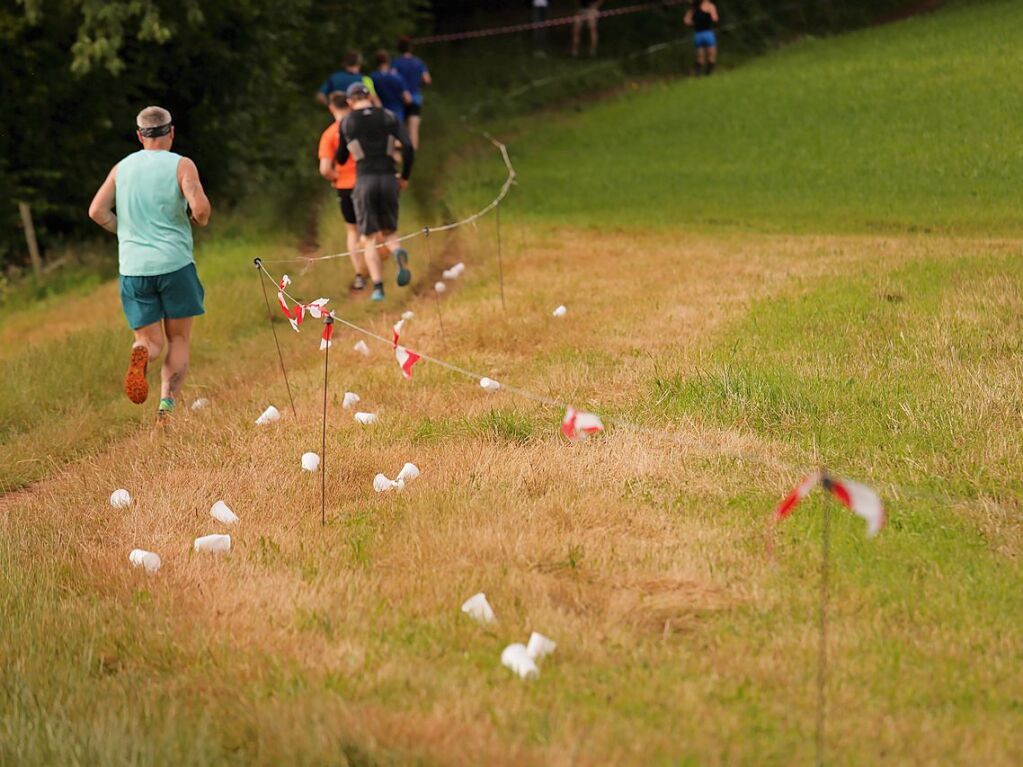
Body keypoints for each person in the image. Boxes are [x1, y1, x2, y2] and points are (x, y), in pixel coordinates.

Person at [88, 106, 211, 426]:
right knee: (179, 340)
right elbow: (201, 211)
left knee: (150, 341)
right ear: (171, 132)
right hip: (175, 264)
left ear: (140, 135)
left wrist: (126, 230)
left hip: (134, 268)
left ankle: (140, 351)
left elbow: (96, 211)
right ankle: (166, 406)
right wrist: (196, 214)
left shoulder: (122, 168)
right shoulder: (182, 165)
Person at [337, 82, 415, 303]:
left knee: (369, 237)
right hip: (389, 177)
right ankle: (397, 250)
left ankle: (378, 287)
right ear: (370, 97)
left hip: (364, 181)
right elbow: (408, 147)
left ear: (350, 102)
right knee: (389, 231)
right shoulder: (388, 116)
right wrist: (405, 176)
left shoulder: (347, 122)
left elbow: (341, 157)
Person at [318, 92, 369, 291]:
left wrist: (335, 178)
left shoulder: (329, 134)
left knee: (352, 230)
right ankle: (373, 264)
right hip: (366, 180)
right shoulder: (361, 126)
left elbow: (324, 169)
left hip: (345, 186)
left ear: (331, 108)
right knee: (371, 229)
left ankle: (360, 274)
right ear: (349, 105)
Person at [391, 37, 432, 150]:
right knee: (413, 130)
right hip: (415, 98)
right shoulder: (418, 62)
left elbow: (393, 78)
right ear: (411, 47)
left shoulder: (396, 62)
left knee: (400, 129)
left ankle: (399, 155)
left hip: (400, 100)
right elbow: (427, 79)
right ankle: (411, 157)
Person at [369, 50, 411, 124]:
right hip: (396, 113)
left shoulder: (372, 77)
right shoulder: (397, 78)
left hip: (379, 113)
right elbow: (407, 99)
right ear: (389, 61)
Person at [684, 0, 719, 76]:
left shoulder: (693, 9)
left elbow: (686, 21)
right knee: (711, 56)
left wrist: (695, 23)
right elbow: (715, 18)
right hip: (708, 33)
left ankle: (697, 73)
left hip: (698, 34)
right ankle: (709, 73)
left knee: (700, 57)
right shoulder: (710, 6)